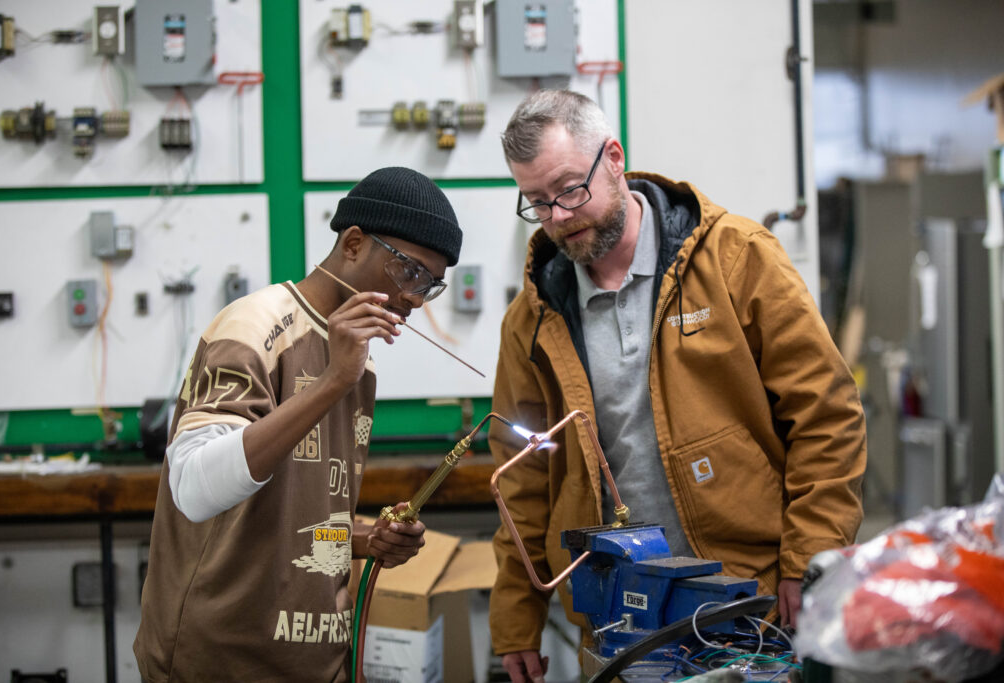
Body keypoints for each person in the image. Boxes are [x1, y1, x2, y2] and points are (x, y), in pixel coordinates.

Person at [486, 89, 867, 682]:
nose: (557, 216)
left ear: (613, 158)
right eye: (536, 202)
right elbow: (524, 481)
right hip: (619, 613)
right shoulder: (534, 318)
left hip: (751, 594)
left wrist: (808, 559)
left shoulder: (739, 260)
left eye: (568, 190)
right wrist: (515, 620)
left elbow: (827, 415)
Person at [134, 167, 463, 682]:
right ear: (354, 243)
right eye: (410, 272)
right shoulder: (255, 327)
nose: (416, 299)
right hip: (223, 662)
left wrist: (362, 539)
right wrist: (331, 381)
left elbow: (299, 518)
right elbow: (193, 488)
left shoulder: (358, 364)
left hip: (314, 662)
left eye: (432, 285)